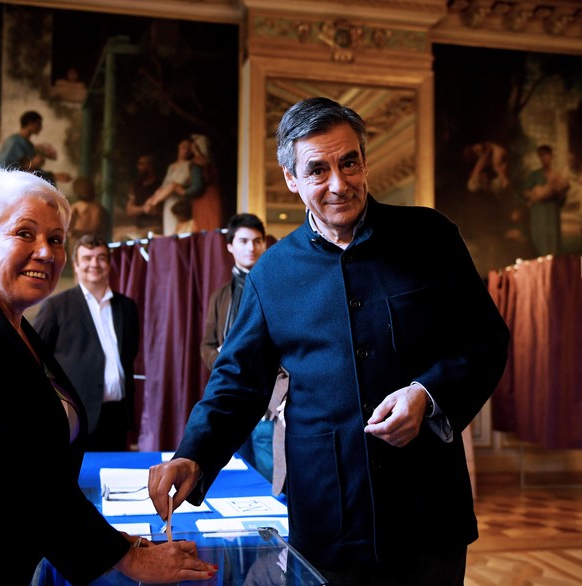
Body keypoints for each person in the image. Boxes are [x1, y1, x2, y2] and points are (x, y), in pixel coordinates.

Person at [148, 97, 510, 585]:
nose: (339, 183)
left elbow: (484, 339)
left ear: (364, 160)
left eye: (349, 162)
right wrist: (193, 453)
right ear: (292, 179)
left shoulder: (431, 237)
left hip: (427, 509)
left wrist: (427, 395)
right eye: (318, 170)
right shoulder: (272, 273)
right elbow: (238, 381)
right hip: (328, 514)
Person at [0, 168, 216, 584]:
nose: (46, 252)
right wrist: (125, 557)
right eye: (25, 234)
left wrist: (119, 541)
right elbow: (12, 478)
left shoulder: (14, 327)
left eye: (55, 239)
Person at [199, 213, 288, 491]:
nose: (251, 248)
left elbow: (289, 348)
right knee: (236, 481)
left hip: (269, 407)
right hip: (230, 402)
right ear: (230, 245)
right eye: (244, 241)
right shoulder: (220, 295)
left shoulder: (278, 289)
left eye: (258, 241)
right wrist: (228, 359)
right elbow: (207, 346)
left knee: (269, 480)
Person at [34, 233, 140, 452]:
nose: (95, 264)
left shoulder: (127, 306)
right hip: (76, 415)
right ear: (76, 265)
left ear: (109, 264)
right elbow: (35, 358)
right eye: (88, 258)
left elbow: (130, 354)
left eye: (101, 258)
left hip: (118, 415)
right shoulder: (56, 307)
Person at [145, 138, 205, 235]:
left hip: (179, 203)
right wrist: (150, 200)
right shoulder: (171, 166)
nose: (186, 151)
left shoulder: (189, 165)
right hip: (168, 202)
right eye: (184, 147)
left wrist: (154, 202)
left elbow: (174, 185)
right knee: (169, 231)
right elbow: (164, 186)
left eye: (189, 149)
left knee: (178, 232)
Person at [0, 110, 69, 185]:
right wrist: (30, 165)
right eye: (38, 123)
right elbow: (3, 166)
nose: (41, 127)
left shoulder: (28, 144)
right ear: (30, 123)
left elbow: (32, 171)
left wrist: (53, 176)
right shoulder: (15, 141)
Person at [522, 144, 570, 255]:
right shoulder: (534, 175)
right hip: (538, 213)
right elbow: (525, 192)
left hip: (552, 213)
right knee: (539, 239)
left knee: (552, 240)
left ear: (551, 156)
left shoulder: (557, 176)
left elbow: (562, 195)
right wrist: (534, 195)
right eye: (541, 155)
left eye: (546, 155)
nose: (544, 158)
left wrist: (558, 192)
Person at [123, 154, 164, 238]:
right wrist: (144, 208)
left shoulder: (160, 185)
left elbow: (157, 210)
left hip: (155, 226)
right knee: (117, 235)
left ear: (150, 166)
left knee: (131, 238)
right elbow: (129, 210)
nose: (139, 167)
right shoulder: (136, 186)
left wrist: (154, 211)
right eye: (139, 164)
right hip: (139, 226)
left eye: (142, 164)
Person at [69, 176, 110, 242]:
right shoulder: (99, 208)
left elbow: (68, 225)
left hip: (78, 238)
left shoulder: (76, 206)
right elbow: (104, 228)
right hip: (94, 238)